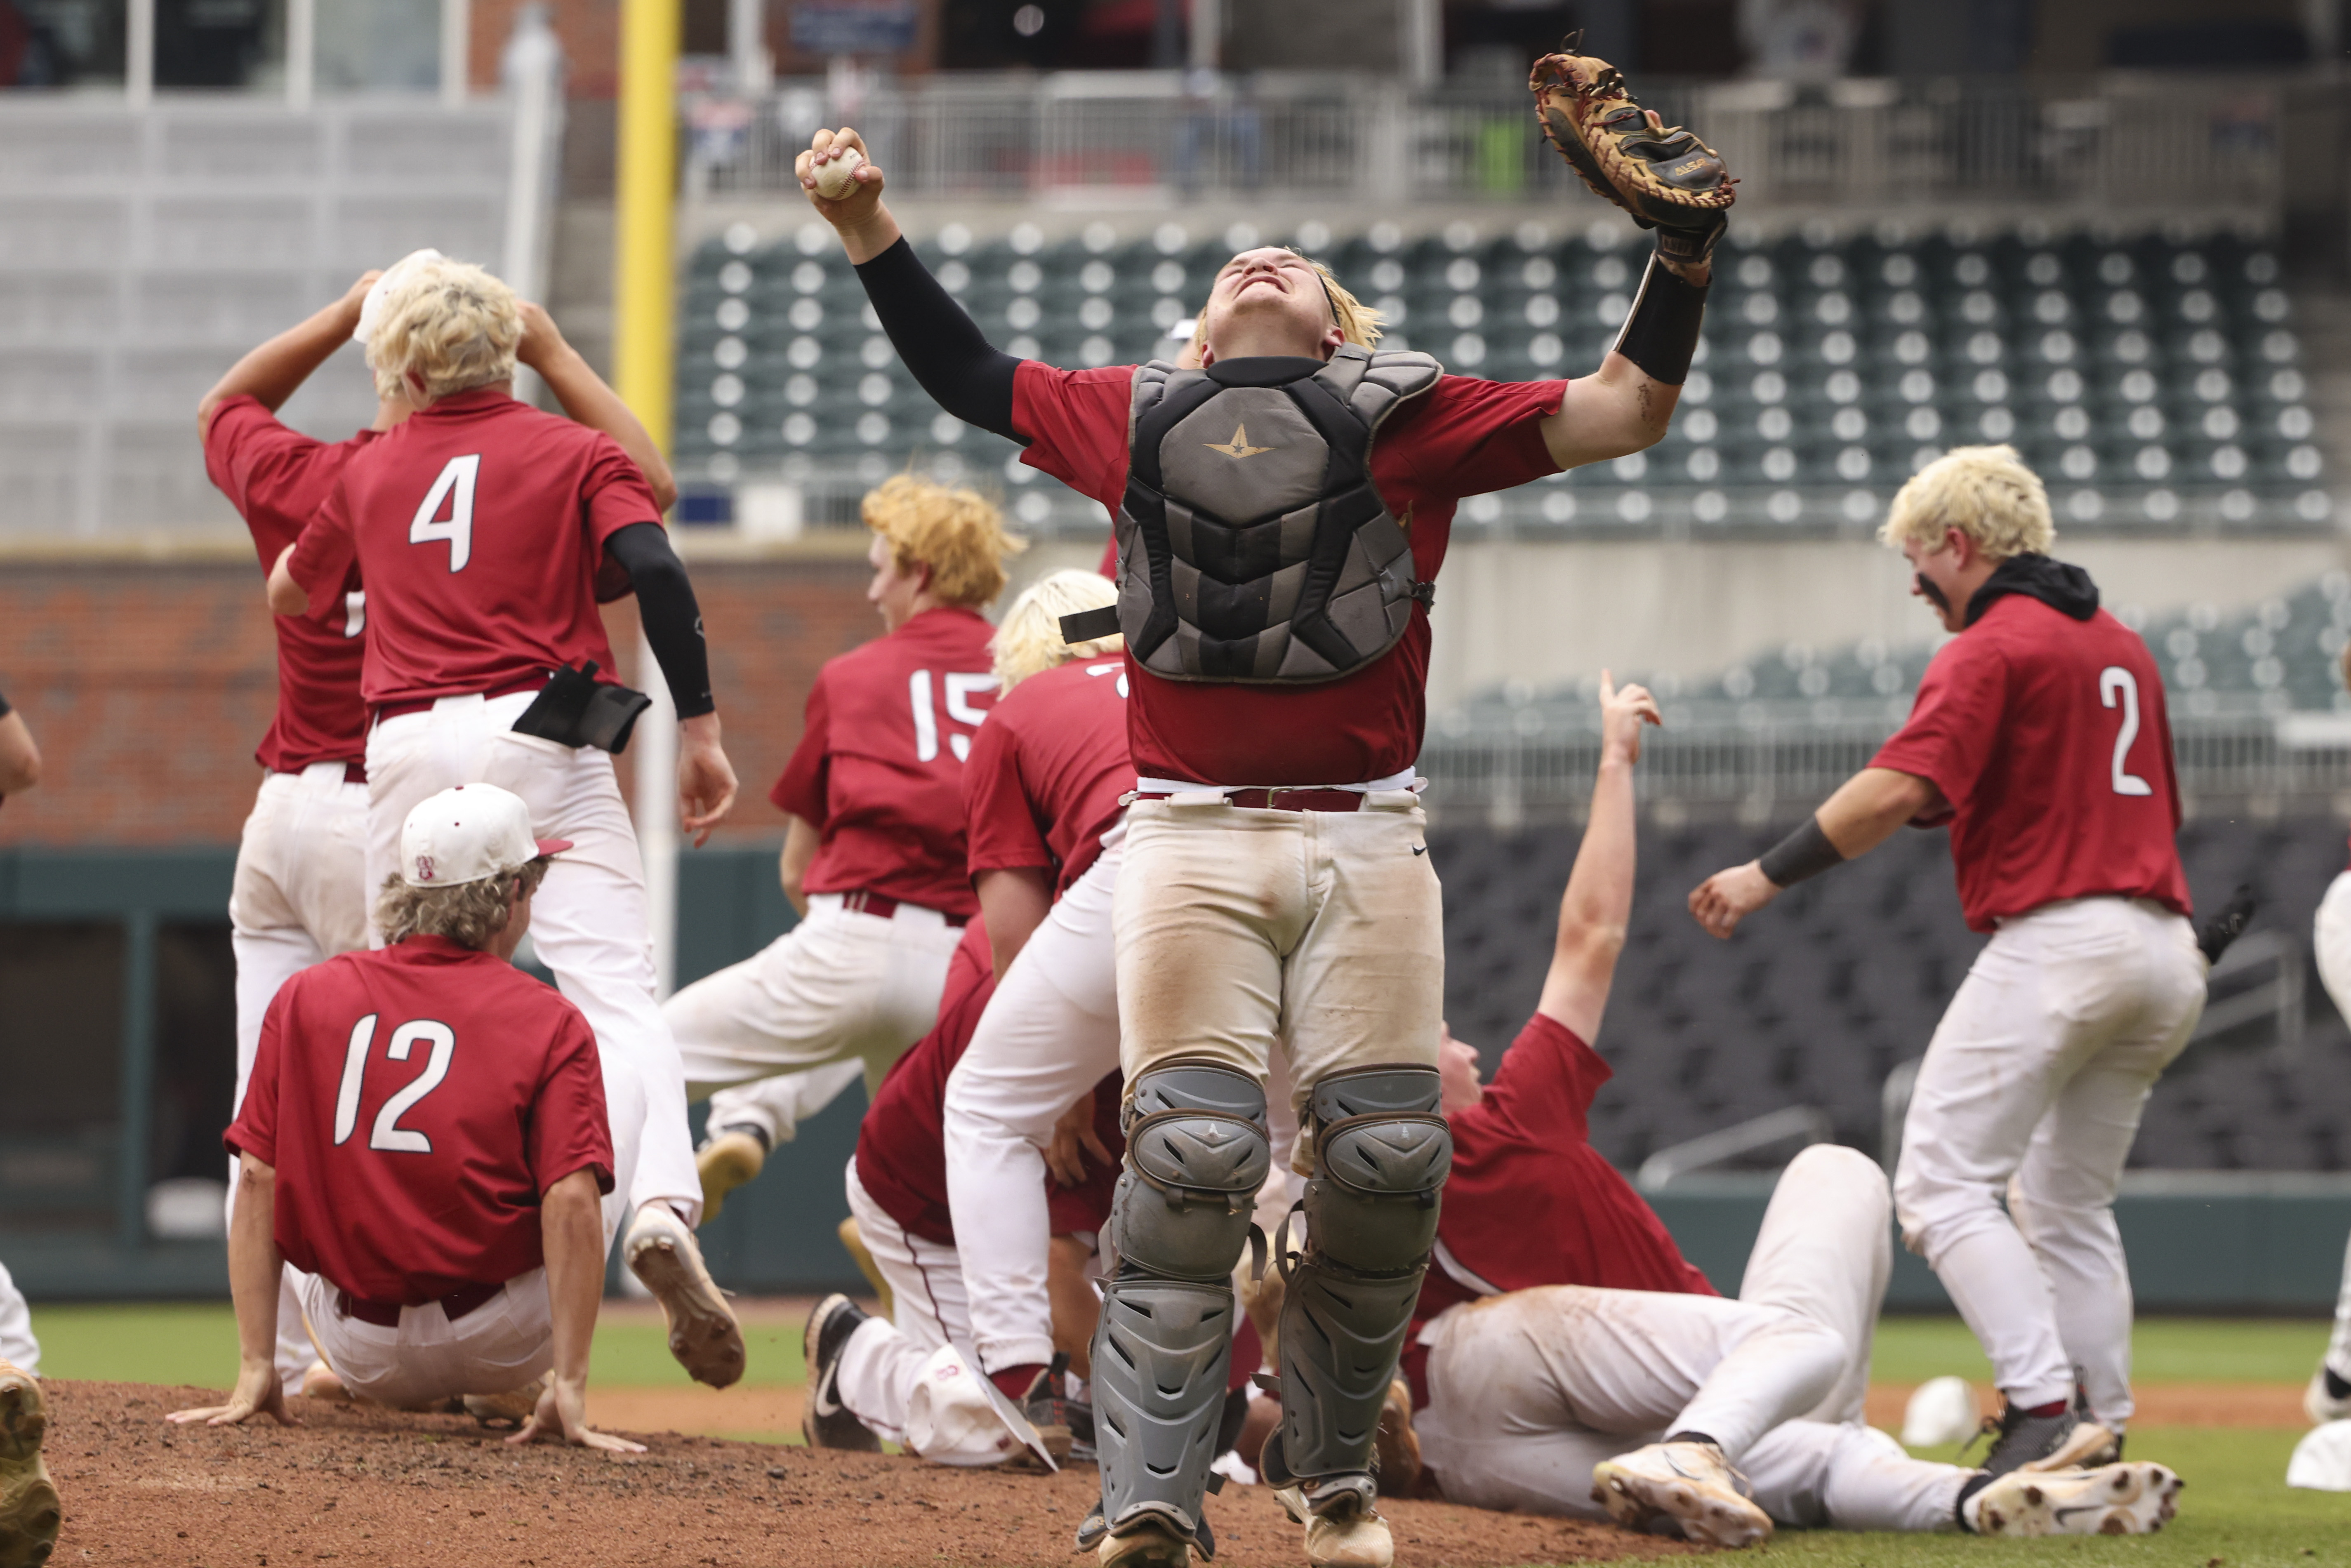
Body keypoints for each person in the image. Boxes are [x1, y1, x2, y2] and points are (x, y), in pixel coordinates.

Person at [797, 92, 1714, 1565]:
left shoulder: (1410, 413)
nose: (1262, 259)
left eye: (1293, 264)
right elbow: (970, 372)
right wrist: (865, 231)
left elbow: (1628, 410)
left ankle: (1333, 1473)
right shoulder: (1133, 411)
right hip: (1188, 834)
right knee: (1192, 1156)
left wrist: (1681, 260)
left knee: (1386, 1163)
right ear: (1203, 342)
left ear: (1341, 335)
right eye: (1236, 267)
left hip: (1368, 834)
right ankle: (1148, 1499)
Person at [1402, 675, 2181, 1545]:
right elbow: (1592, 934)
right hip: (1675, 1380)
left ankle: (1894, 1481)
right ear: (1409, 1076)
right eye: (1446, 1037)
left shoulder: (1366, 1190)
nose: (1469, 1046)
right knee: (1815, 1358)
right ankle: (1813, 1464)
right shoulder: (1509, 1121)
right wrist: (1616, 762)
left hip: (1585, 1408)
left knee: (1815, 1414)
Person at [199, 258, 680, 1398]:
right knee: (515, 1025)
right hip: (444, 778)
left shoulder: (331, 473)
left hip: (330, 791)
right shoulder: (526, 462)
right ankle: (540, 1269)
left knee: (287, 1075)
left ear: (391, 361)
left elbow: (226, 412)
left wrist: (340, 308)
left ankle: (286, 1347)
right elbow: (640, 502)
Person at [1689, 445, 2206, 1473]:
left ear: (1958, 546)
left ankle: (2043, 1407)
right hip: (2164, 941)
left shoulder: (1991, 643)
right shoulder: (2120, 643)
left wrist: (1762, 874)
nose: (1915, 581)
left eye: (1919, 557)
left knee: (1937, 1185)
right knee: (2066, 1201)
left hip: (2068, 938)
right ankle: (2103, 1427)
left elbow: (1894, 788)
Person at [166, 784, 641, 1453]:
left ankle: (307, 1372)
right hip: (502, 1337)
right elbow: (567, 1199)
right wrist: (570, 1381)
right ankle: (554, 1383)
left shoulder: (305, 994)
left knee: (274, 1154)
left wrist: (257, 1364)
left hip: (359, 1345)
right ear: (508, 895)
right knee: (623, 1079)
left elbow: (256, 1179)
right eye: (530, 886)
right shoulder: (551, 1018)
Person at [801, 570, 1131, 1464]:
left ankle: (946, 1369)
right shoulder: (1006, 950)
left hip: (1003, 1195)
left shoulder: (1080, 893)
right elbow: (1061, 1250)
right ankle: (854, 1350)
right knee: (999, 1434)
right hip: (927, 1200)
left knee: (1062, 1418)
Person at [669, 476, 1018, 1210]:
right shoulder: (1025, 676)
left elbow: (799, 870)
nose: (871, 591)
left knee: (629, 1061)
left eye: (878, 568)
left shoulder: (854, 674)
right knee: (919, 1199)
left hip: (859, 930)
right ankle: (756, 1119)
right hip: (978, 969)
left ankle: (663, 1212)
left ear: (919, 572)